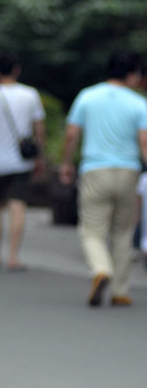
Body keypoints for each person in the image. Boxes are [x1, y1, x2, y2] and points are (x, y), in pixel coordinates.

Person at [60, 50, 147, 306]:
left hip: (94, 170)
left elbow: (71, 134)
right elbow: (144, 141)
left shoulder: (87, 96)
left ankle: (100, 269)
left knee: (92, 230)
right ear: (132, 75)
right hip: (128, 171)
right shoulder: (139, 103)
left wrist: (66, 163)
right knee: (122, 230)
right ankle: (120, 290)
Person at [0, 53, 45, 271]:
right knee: (18, 205)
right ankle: (14, 256)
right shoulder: (31, 94)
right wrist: (39, 155)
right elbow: (39, 128)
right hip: (22, 161)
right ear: (17, 70)